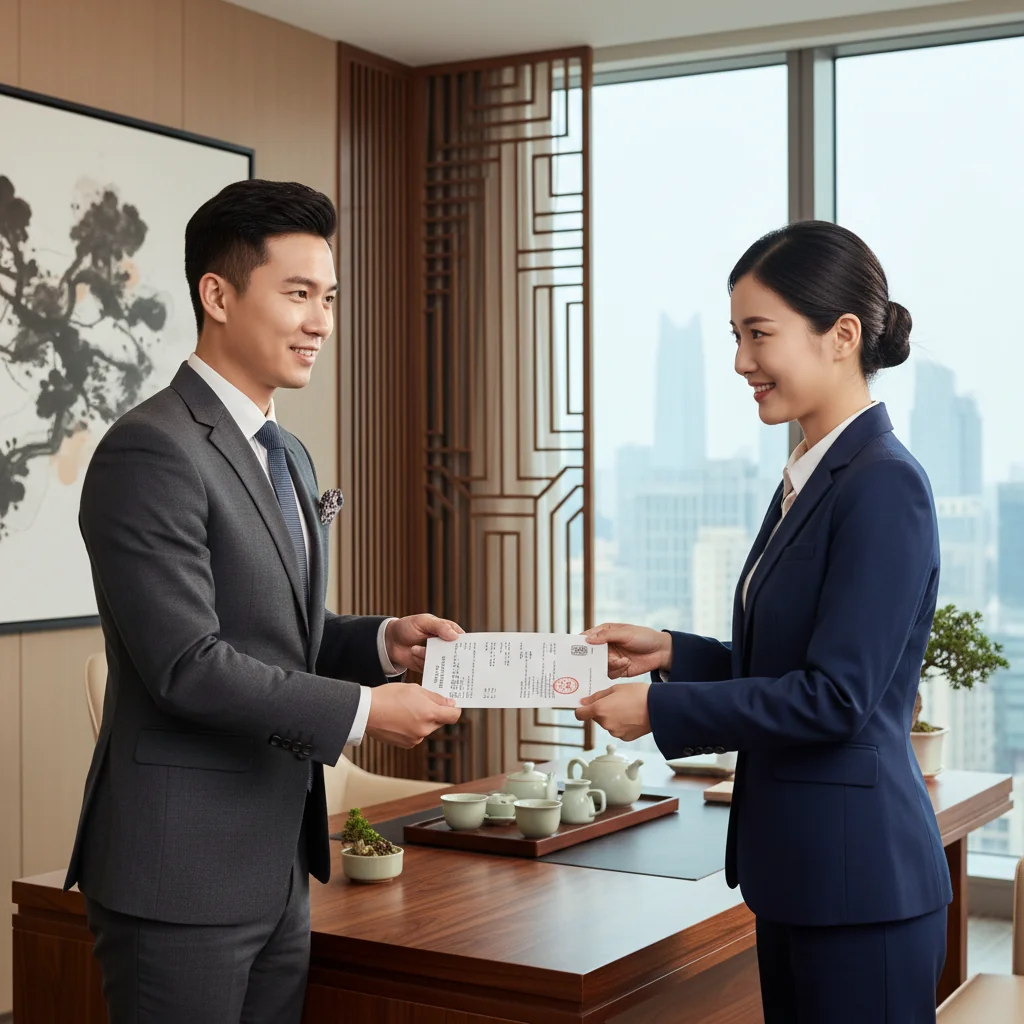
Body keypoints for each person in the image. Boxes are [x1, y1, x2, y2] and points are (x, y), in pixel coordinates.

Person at [66, 179, 463, 1024]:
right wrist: (364, 710)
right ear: (217, 294)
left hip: (275, 859)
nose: (321, 321)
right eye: (297, 294)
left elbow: (283, 634)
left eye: (328, 297)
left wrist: (386, 644)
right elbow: (188, 665)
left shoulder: (288, 455)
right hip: (179, 871)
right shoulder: (151, 449)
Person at [576, 221, 951, 1023]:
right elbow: (782, 659)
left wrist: (661, 711)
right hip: (804, 876)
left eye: (759, 334)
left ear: (842, 336)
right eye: (736, 336)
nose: (742, 362)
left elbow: (835, 697)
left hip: (861, 888)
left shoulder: (883, 485)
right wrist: (672, 653)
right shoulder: (812, 476)